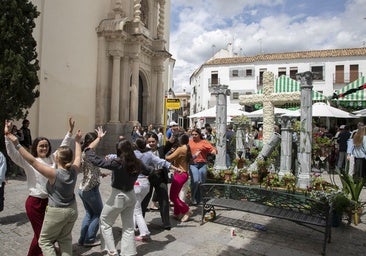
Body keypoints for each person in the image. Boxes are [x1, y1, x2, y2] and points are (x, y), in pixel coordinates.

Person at [5, 119, 82, 256]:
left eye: (46, 146)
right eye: (41, 146)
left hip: (51, 203)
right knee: (41, 236)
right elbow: (13, 154)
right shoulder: (29, 161)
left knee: (45, 236)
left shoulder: (53, 159)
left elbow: (63, 147)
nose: (44, 148)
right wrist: (7, 137)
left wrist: (70, 132)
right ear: (35, 147)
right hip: (35, 203)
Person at [85, 127, 145, 256]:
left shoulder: (118, 163)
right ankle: (129, 252)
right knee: (128, 226)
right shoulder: (137, 162)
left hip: (119, 196)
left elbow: (97, 161)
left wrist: (88, 149)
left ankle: (111, 251)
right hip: (131, 196)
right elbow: (149, 170)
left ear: (119, 150)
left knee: (105, 221)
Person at [135, 136, 182, 230]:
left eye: (153, 141)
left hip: (160, 176)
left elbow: (164, 158)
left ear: (157, 141)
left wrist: (174, 133)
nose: (151, 143)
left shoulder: (161, 149)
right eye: (149, 142)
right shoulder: (144, 151)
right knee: (144, 200)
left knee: (164, 199)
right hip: (148, 178)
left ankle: (166, 223)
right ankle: (139, 222)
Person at [78, 132, 108, 247]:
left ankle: (82, 239)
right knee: (99, 213)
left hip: (84, 188)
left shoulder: (87, 153)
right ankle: (90, 239)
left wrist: (101, 173)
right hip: (90, 188)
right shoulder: (87, 152)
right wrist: (99, 137)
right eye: (96, 140)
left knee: (89, 213)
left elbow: (91, 169)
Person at [165, 133, 193, 222]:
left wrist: (169, 152)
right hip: (184, 173)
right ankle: (177, 213)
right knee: (175, 195)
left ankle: (187, 210)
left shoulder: (180, 149)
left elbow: (168, 158)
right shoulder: (187, 148)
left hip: (180, 174)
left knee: (173, 197)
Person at [189, 128, 217, 205]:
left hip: (202, 164)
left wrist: (213, 151)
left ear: (199, 135)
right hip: (193, 164)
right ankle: (193, 197)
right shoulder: (189, 142)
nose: (194, 136)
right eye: (193, 134)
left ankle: (199, 198)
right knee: (195, 181)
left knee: (201, 182)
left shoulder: (204, 142)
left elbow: (212, 148)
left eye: (196, 134)